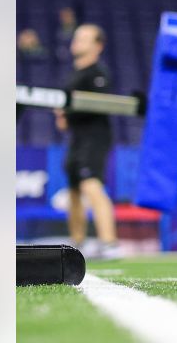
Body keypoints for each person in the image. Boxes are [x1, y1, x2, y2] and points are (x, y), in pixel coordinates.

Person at [54, 23, 122, 259]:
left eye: (84, 38)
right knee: (73, 190)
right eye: (77, 37)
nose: (77, 41)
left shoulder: (98, 73)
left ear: (98, 46)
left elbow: (97, 104)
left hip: (95, 137)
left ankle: (110, 243)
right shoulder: (74, 73)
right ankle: (77, 244)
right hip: (76, 138)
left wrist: (68, 112)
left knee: (90, 184)